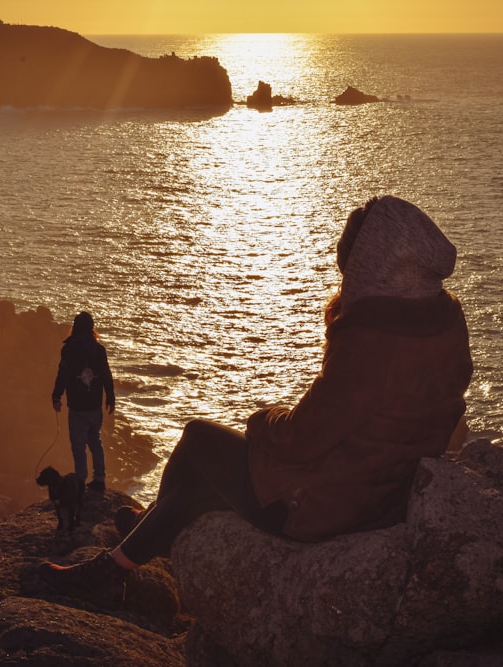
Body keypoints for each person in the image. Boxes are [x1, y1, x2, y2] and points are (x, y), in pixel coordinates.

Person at [40, 196, 473, 600]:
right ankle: (138, 542)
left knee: (197, 439)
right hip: (385, 492)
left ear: (373, 267)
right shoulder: (446, 320)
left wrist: (262, 419)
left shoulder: (369, 340)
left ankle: (125, 555)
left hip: (329, 506)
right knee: (200, 487)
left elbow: (304, 437)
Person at [51, 311, 116, 492]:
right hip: (95, 405)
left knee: (78, 445)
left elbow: (62, 375)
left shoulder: (69, 349)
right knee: (95, 441)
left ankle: (80, 481)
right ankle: (100, 479)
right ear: (91, 328)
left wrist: (56, 396)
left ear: (75, 327)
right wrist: (110, 397)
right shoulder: (99, 350)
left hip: (77, 406)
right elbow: (106, 375)